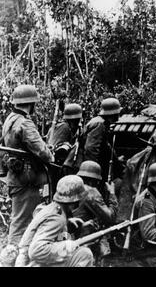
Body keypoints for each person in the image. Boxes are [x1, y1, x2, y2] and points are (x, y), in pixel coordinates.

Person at [0, 85, 54, 264]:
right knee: (22, 222)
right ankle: (11, 259)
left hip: (16, 176)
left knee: (20, 219)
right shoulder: (25, 123)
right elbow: (43, 152)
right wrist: (50, 153)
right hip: (27, 179)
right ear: (31, 104)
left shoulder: (10, 119)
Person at [15, 175, 94, 267]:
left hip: (26, 260)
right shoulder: (57, 218)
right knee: (84, 254)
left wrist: (67, 225)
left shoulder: (53, 209)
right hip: (31, 263)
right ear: (75, 202)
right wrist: (70, 245)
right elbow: (36, 250)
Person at [72, 161, 118, 259]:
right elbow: (110, 217)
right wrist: (112, 193)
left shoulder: (72, 187)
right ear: (96, 180)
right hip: (84, 239)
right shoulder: (90, 192)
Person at [82, 97, 123, 191]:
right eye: (117, 114)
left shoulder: (100, 122)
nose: (118, 117)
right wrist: (93, 172)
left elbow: (106, 146)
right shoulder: (99, 124)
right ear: (113, 114)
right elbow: (91, 149)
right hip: (89, 168)